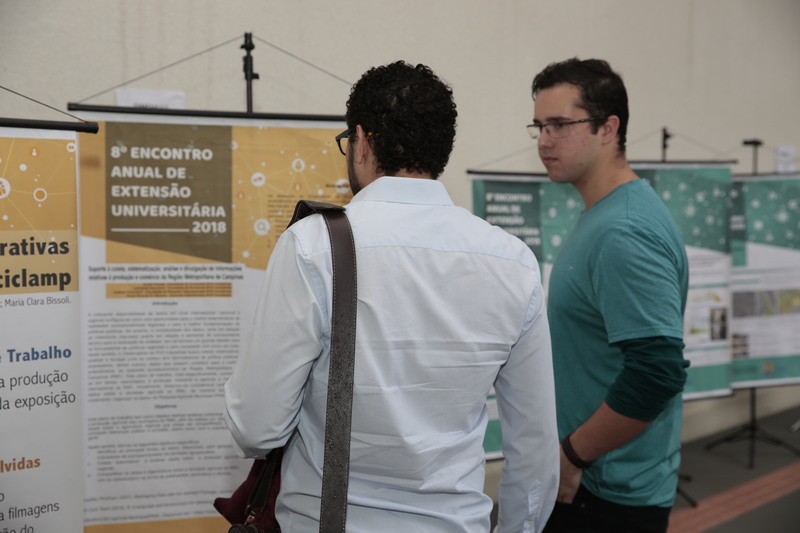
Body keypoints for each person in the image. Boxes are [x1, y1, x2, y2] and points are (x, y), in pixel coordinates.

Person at [225, 60, 559, 532]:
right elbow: (535, 446)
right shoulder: (513, 261)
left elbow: (256, 429)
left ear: (361, 141)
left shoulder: (313, 246)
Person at [529, 58, 690, 533]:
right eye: (539, 127)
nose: (544, 141)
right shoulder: (606, 214)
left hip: (604, 494)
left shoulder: (624, 230)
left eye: (560, 125)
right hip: (597, 484)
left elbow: (656, 371)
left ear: (608, 128)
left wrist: (572, 456)